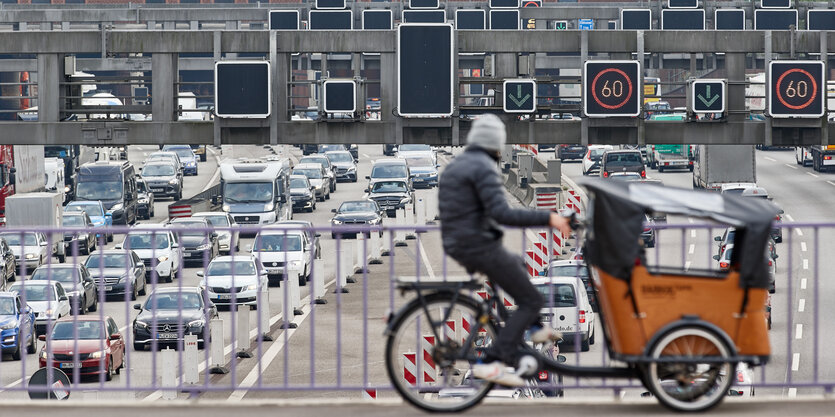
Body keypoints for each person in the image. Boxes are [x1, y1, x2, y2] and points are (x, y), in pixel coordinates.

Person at [438, 114, 572, 387]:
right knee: (532, 300)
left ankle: (534, 328)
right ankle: (491, 363)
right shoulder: (483, 167)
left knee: (517, 264)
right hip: (477, 245)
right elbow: (502, 213)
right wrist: (549, 218)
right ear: (495, 144)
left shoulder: (459, 164)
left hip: (459, 243)